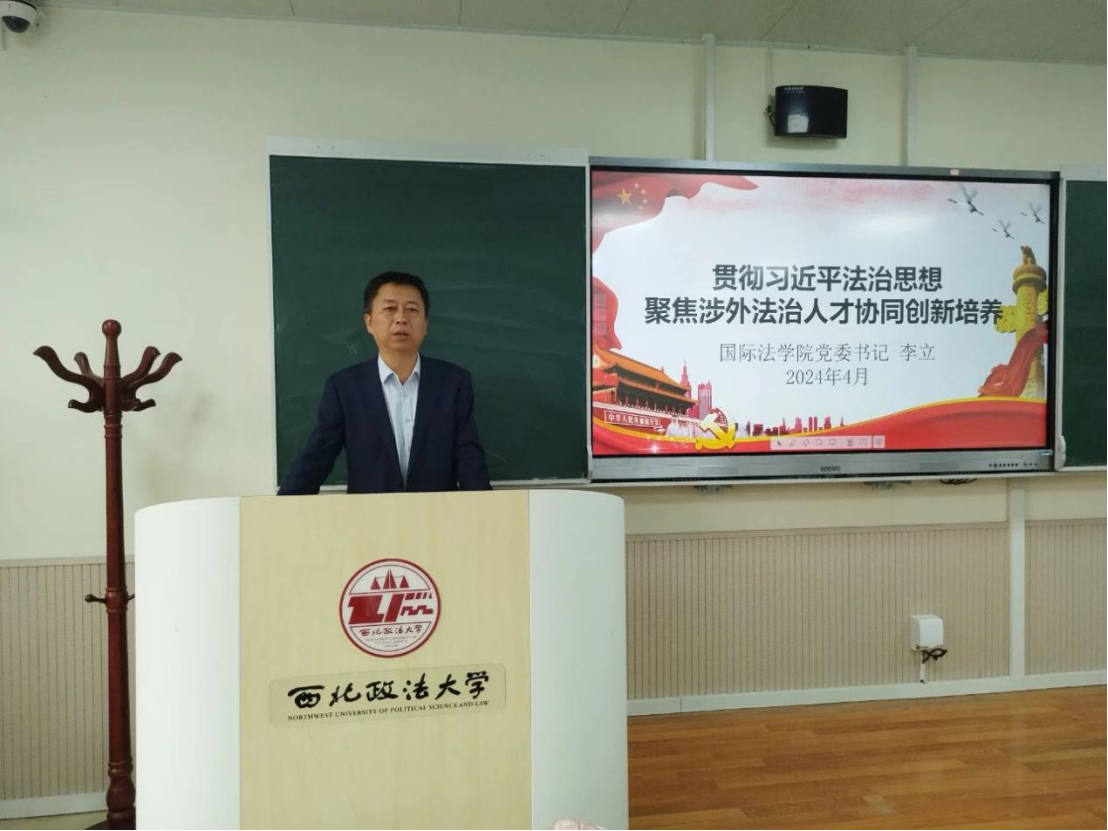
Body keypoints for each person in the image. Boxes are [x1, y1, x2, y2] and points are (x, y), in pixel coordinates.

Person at [278, 271, 492, 494]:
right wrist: (278, 507)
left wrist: (486, 509)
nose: (401, 318)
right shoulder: (344, 387)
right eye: (390, 308)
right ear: (369, 322)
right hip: (370, 514)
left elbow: (470, 460)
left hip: (437, 513)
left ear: (425, 324)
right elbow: (317, 457)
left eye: (412, 310)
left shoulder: (453, 382)